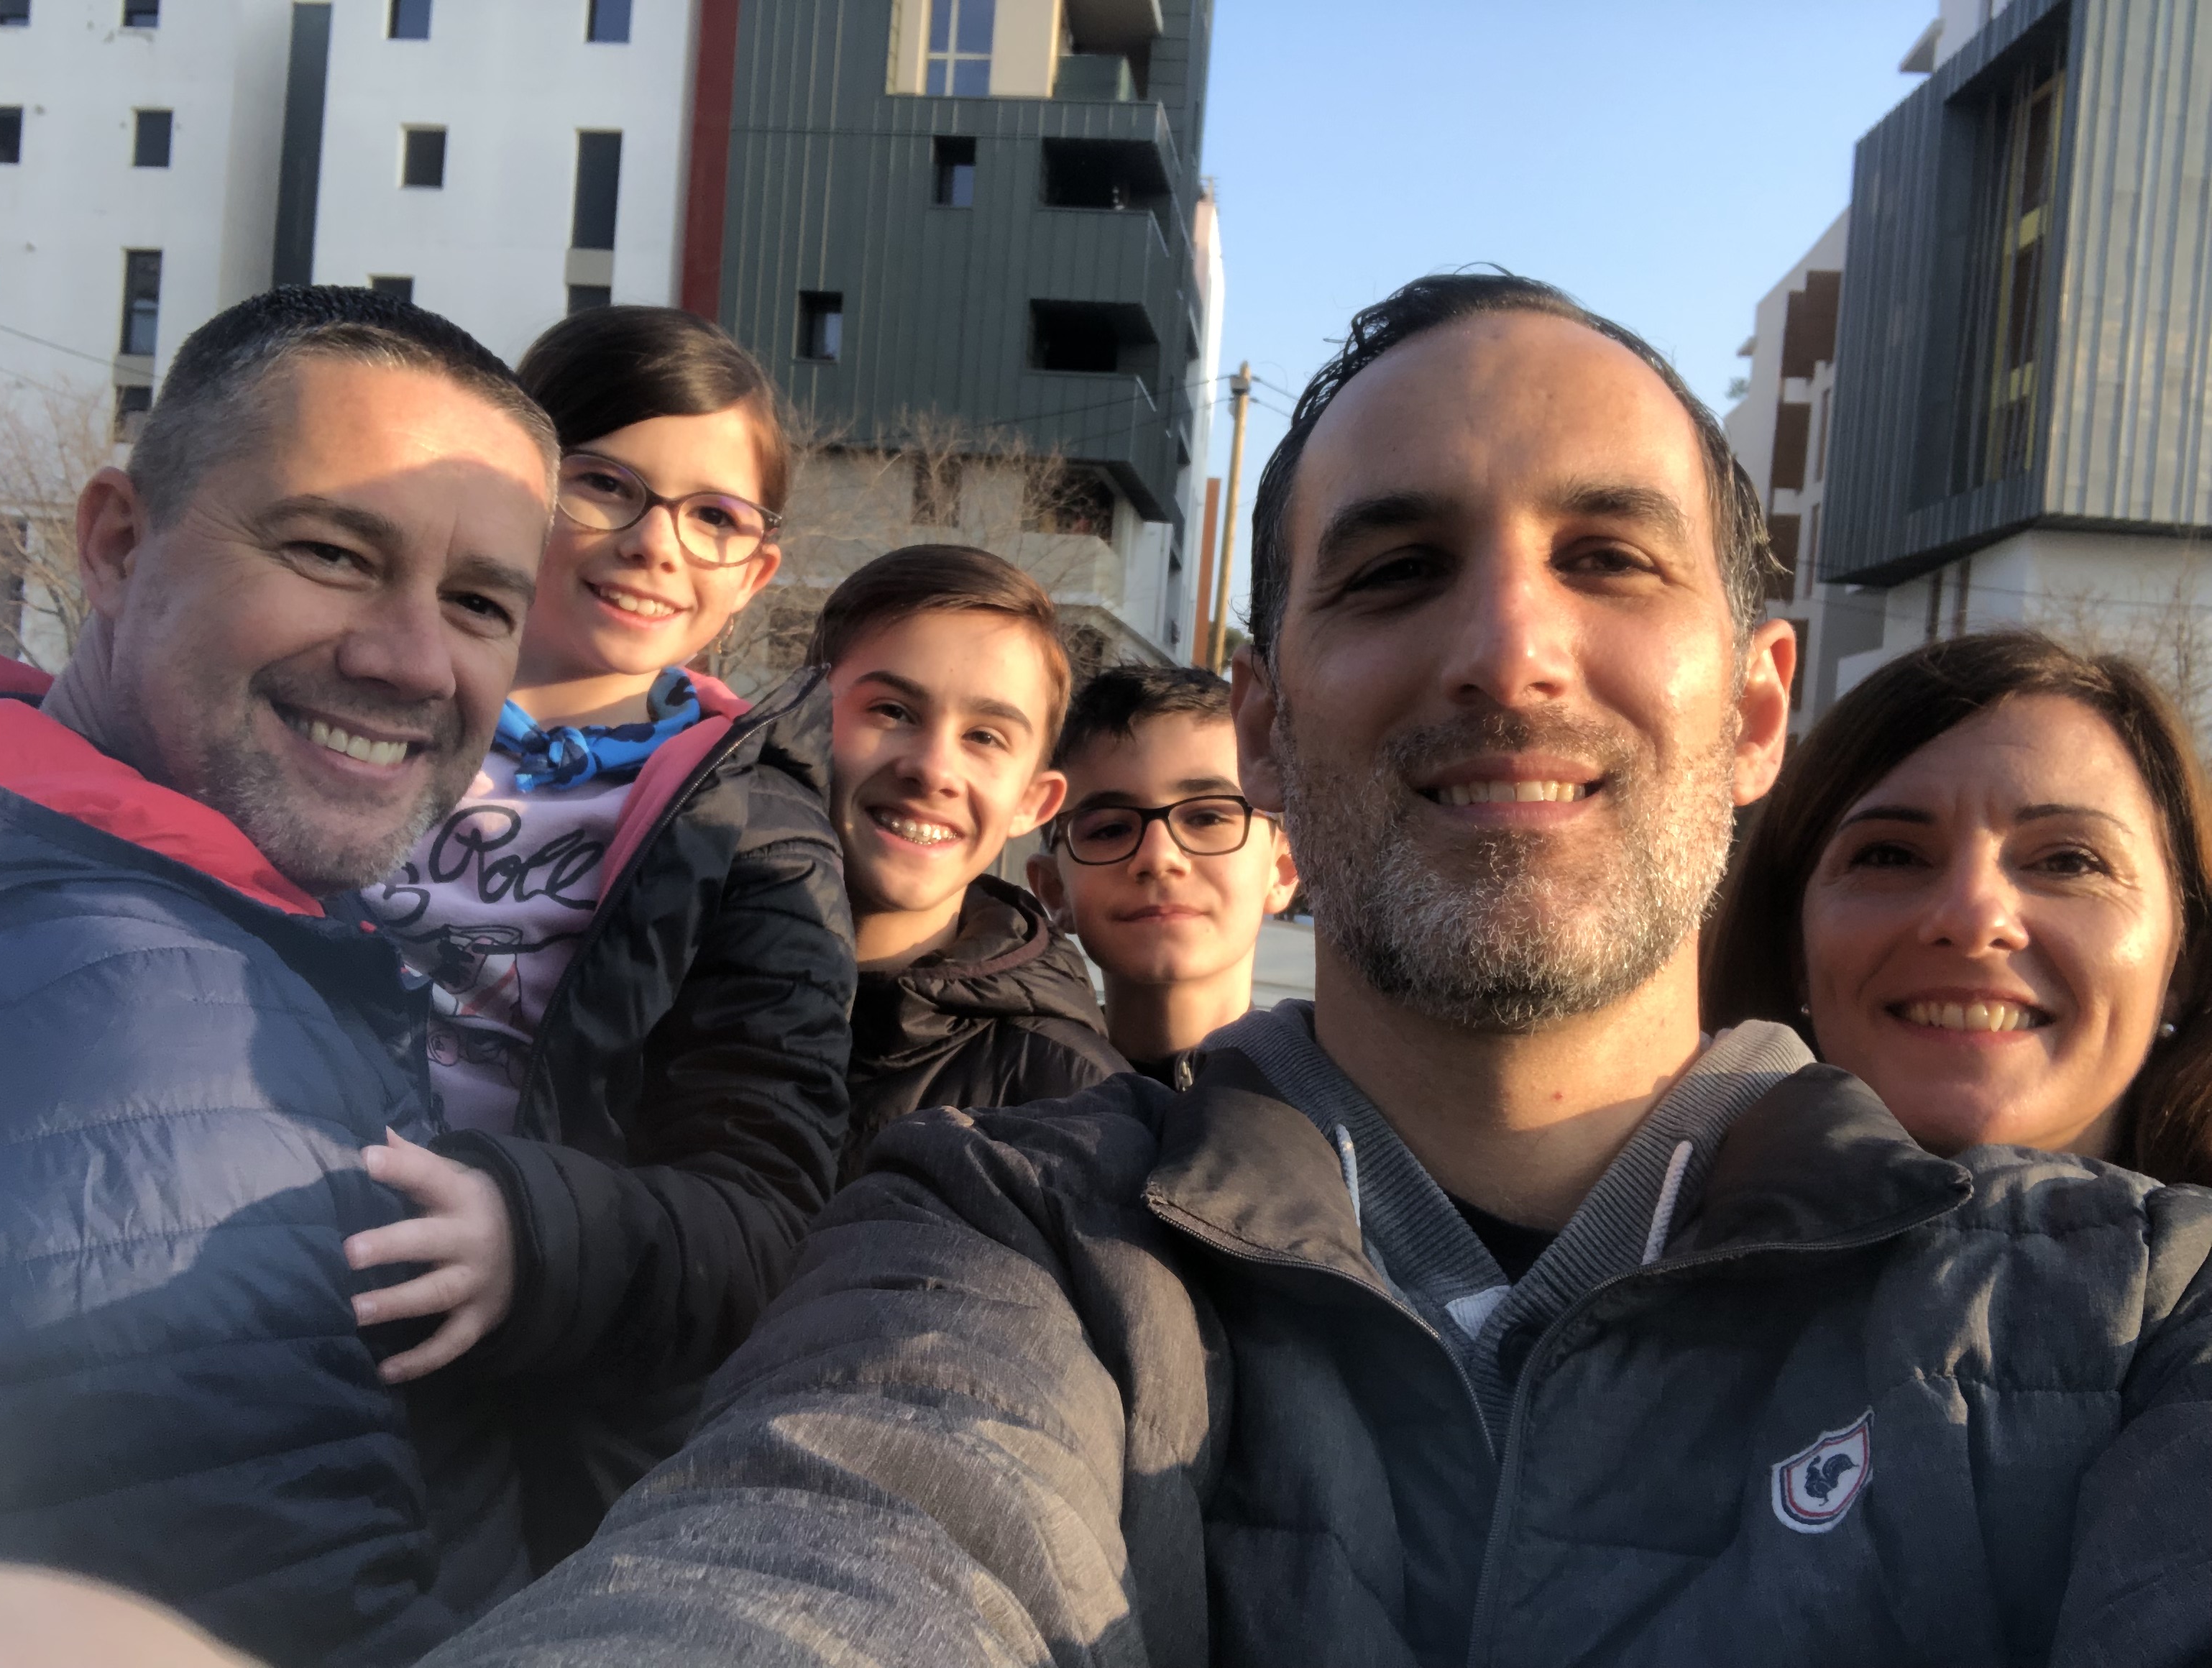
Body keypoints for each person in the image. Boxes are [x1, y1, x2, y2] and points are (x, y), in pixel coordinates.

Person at [428, 275, 2212, 1668]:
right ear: (1267, 726)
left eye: (1607, 558)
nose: (1507, 648)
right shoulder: (1011, 1241)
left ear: (1755, 708)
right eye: (1397, 569)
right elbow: (816, 1551)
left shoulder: (2134, 1315)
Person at [0, 287, 558, 1667]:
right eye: (331, 552)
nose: (411, 660)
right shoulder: (160, 1031)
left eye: (478, 603)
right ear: (117, 545)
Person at [339, 306, 856, 1568]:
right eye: (605, 485)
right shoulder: (353, 698)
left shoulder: (760, 829)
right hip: (250, 1252)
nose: (653, 543)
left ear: (756, 570)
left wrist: (535, 1236)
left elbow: (761, 1209)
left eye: (712, 516)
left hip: (522, 1400)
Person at [1706, 629, 2212, 1183]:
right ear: (1792, 945)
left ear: (2184, 960)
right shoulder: (1641, 1227)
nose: (1973, 918)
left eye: (2068, 862)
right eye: (1891, 856)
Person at [810, 545, 1126, 1177]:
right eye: (893, 711)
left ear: (1033, 802)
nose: (933, 770)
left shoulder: (1072, 1101)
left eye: (985, 737)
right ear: (800, 718)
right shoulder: (664, 963)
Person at [1025, 663, 1298, 1086]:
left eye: (1207, 818)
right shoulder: (997, 1096)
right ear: (1055, 890)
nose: (1158, 857)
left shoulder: (1353, 1108)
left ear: (1283, 870)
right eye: (1110, 829)